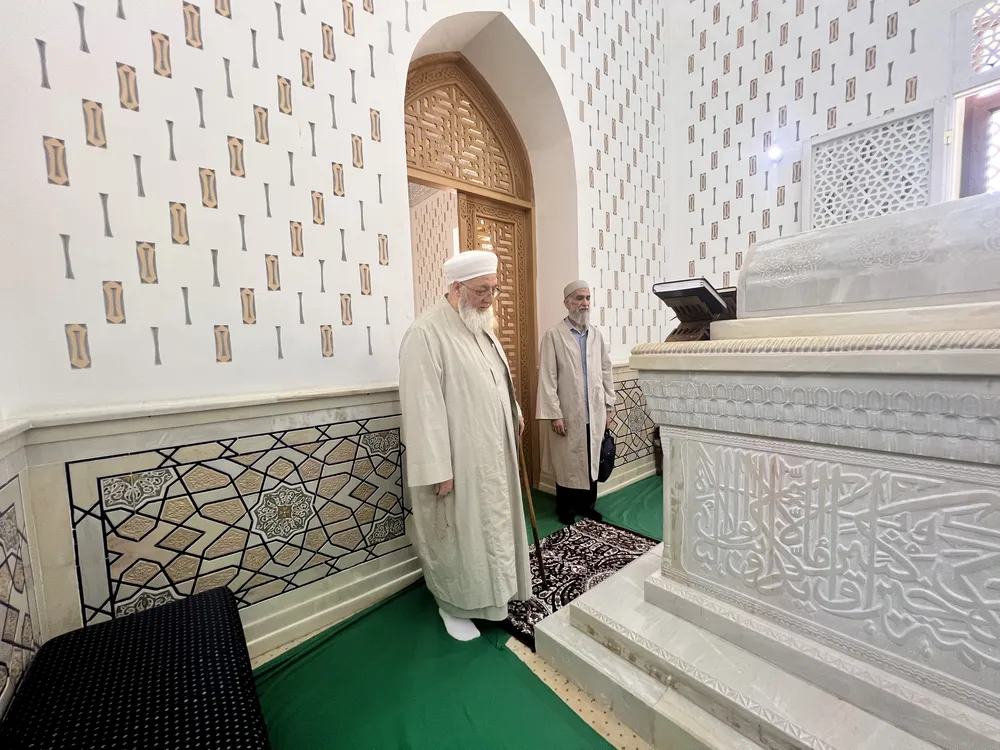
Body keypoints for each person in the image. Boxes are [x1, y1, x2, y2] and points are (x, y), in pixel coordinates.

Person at [398, 250, 533, 642]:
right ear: (457, 288)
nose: (489, 298)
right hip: (458, 464)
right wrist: (438, 469)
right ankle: (453, 606)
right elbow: (422, 408)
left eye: (494, 289)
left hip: (493, 456)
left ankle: (495, 598)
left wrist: (514, 410)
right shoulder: (426, 333)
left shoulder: (480, 326)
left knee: (492, 531)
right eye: (480, 291)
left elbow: (496, 378)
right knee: (461, 537)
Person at [536, 280, 615, 525]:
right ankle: (566, 508)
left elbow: (606, 370)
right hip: (567, 413)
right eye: (579, 298)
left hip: (594, 411)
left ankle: (588, 506)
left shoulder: (596, 335)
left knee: (591, 459)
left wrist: (608, 405)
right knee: (568, 461)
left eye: (588, 298)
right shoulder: (554, 335)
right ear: (567, 302)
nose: (585, 303)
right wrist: (554, 413)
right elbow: (547, 377)